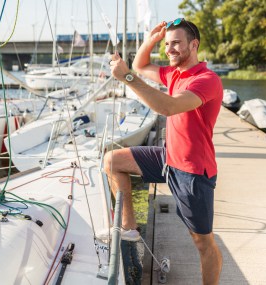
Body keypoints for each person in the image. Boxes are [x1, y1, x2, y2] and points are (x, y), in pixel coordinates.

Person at [97, 19, 223, 284]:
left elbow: (168, 107)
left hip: (192, 173)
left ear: (194, 44)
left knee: (203, 243)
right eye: (167, 45)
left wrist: (126, 78)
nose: (170, 49)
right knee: (112, 161)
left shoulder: (206, 80)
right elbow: (141, 65)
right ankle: (130, 230)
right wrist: (151, 40)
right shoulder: (173, 73)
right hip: (168, 158)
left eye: (176, 43)